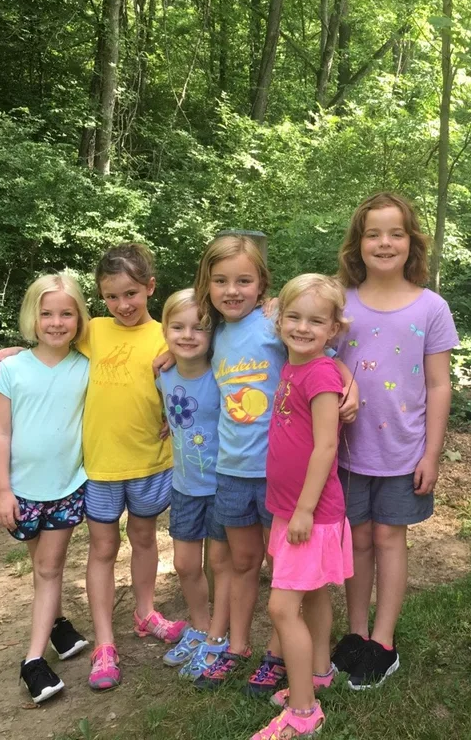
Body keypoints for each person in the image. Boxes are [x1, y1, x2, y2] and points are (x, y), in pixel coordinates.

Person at [0, 243, 186, 691]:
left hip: (151, 462)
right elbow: (49, 339)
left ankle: (145, 613)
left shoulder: (166, 335)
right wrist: (9, 351)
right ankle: (103, 642)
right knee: (101, 550)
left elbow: (197, 349)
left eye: (132, 294)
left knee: (142, 538)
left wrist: (178, 356)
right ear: (101, 298)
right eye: (112, 297)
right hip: (98, 467)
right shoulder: (93, 330)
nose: (123, 305)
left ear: (150, 288)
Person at [173, 235, 357, 695]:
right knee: (240, 561)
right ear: (207, 286)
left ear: (261, 286)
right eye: (221, 281)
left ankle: (276, 654)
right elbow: (183, 347)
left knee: (285, 568)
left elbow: (325, 358)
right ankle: (235, 647)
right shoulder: (212, 332)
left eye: (243, 280)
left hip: (279, 477)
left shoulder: (275, 326)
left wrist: (353, 385)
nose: (232, 290)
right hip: (231, 470)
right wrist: (168, 355)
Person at [330, 192, 459, 689]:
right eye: (373, 233)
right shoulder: (339, 302)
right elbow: (311, 347)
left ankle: (384, 642)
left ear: (412, 243)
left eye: (396, 233)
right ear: (358, 244)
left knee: (388, 539)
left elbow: (438, 384)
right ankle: (357, 633)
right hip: (344, 450)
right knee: (356, 541)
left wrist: (432, 452)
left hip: (405, 451)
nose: (384, 242)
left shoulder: (431, 307)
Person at [251, 274, 354, 739]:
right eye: (294, 317)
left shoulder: (322, 374)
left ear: (334, 328)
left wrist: (306, 510)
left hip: (309, 513)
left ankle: (302, 712)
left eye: (317, 321)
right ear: (279, 320)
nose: (303, 327)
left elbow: (327, 446)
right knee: (313, 594)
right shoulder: (293, 366)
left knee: (281, 609)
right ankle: (318, 670)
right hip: (289, 508)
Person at [0, 273, 91, 703]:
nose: (56, 321)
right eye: (46, 313)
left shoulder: (88, 364)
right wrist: (2, 490)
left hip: (68, 486)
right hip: (22, 492)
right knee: (42, 569)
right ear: (32, 316)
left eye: (66, 313)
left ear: (80, 317)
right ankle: (59, 625)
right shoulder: (10, 368)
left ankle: (32, 662)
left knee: (49, 568)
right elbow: (0, 433)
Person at [154, 290, 234, 680]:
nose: (187, 335)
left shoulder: (222, 373)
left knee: (220, 565)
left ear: (213, 332)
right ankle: (199, 627)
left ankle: (220, 635)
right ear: (164, 330)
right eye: (178, 326)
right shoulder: (163, 374)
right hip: (184, 486)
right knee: (186, 564)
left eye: (199, 327)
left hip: (222, 485)